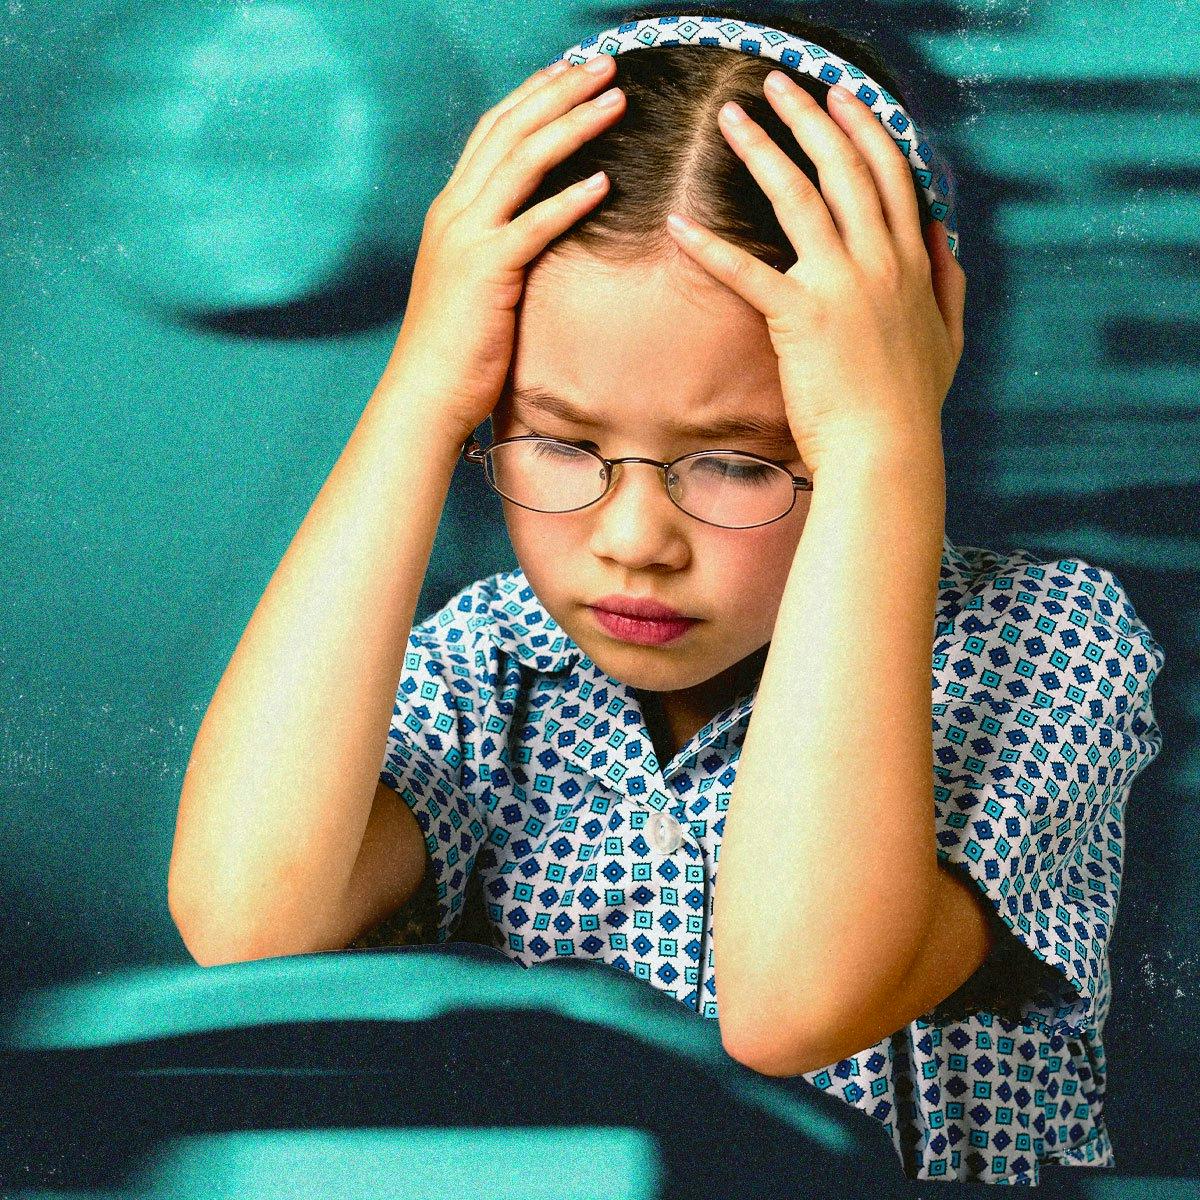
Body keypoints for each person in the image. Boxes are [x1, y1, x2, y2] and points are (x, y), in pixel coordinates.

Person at [167, 6, 1167, 1186]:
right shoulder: (490, 664)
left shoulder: (1050, 646)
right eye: (553, 441)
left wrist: (883, 446)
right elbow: (247, 927)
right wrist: (421, 389)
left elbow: (795, 1003)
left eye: (740, 462)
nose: (635, 541)